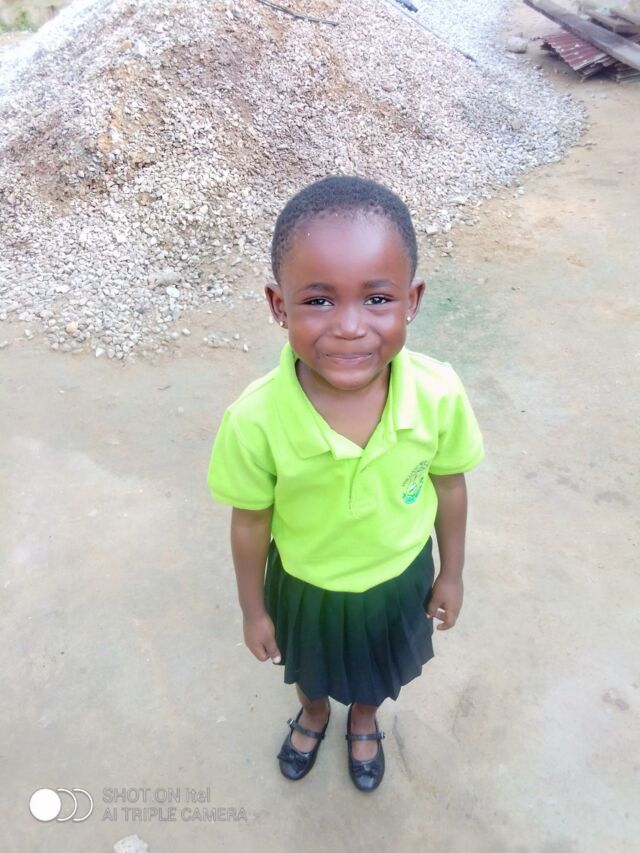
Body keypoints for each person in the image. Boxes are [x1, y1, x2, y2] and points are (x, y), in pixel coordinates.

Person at [206, 175, 483, 792]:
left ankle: (363, 718)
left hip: (400, 579)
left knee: (379, 670)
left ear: (411, 300)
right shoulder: (254, 420)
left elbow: (450, 485)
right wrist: (253, 610)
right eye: (319, 301)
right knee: (307, 669)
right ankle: (313, 714)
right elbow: (249, 522)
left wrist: (452, 572)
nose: (351, 327)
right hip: (305, 584)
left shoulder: (438, 394)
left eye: (377, 298)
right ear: (279, 306)